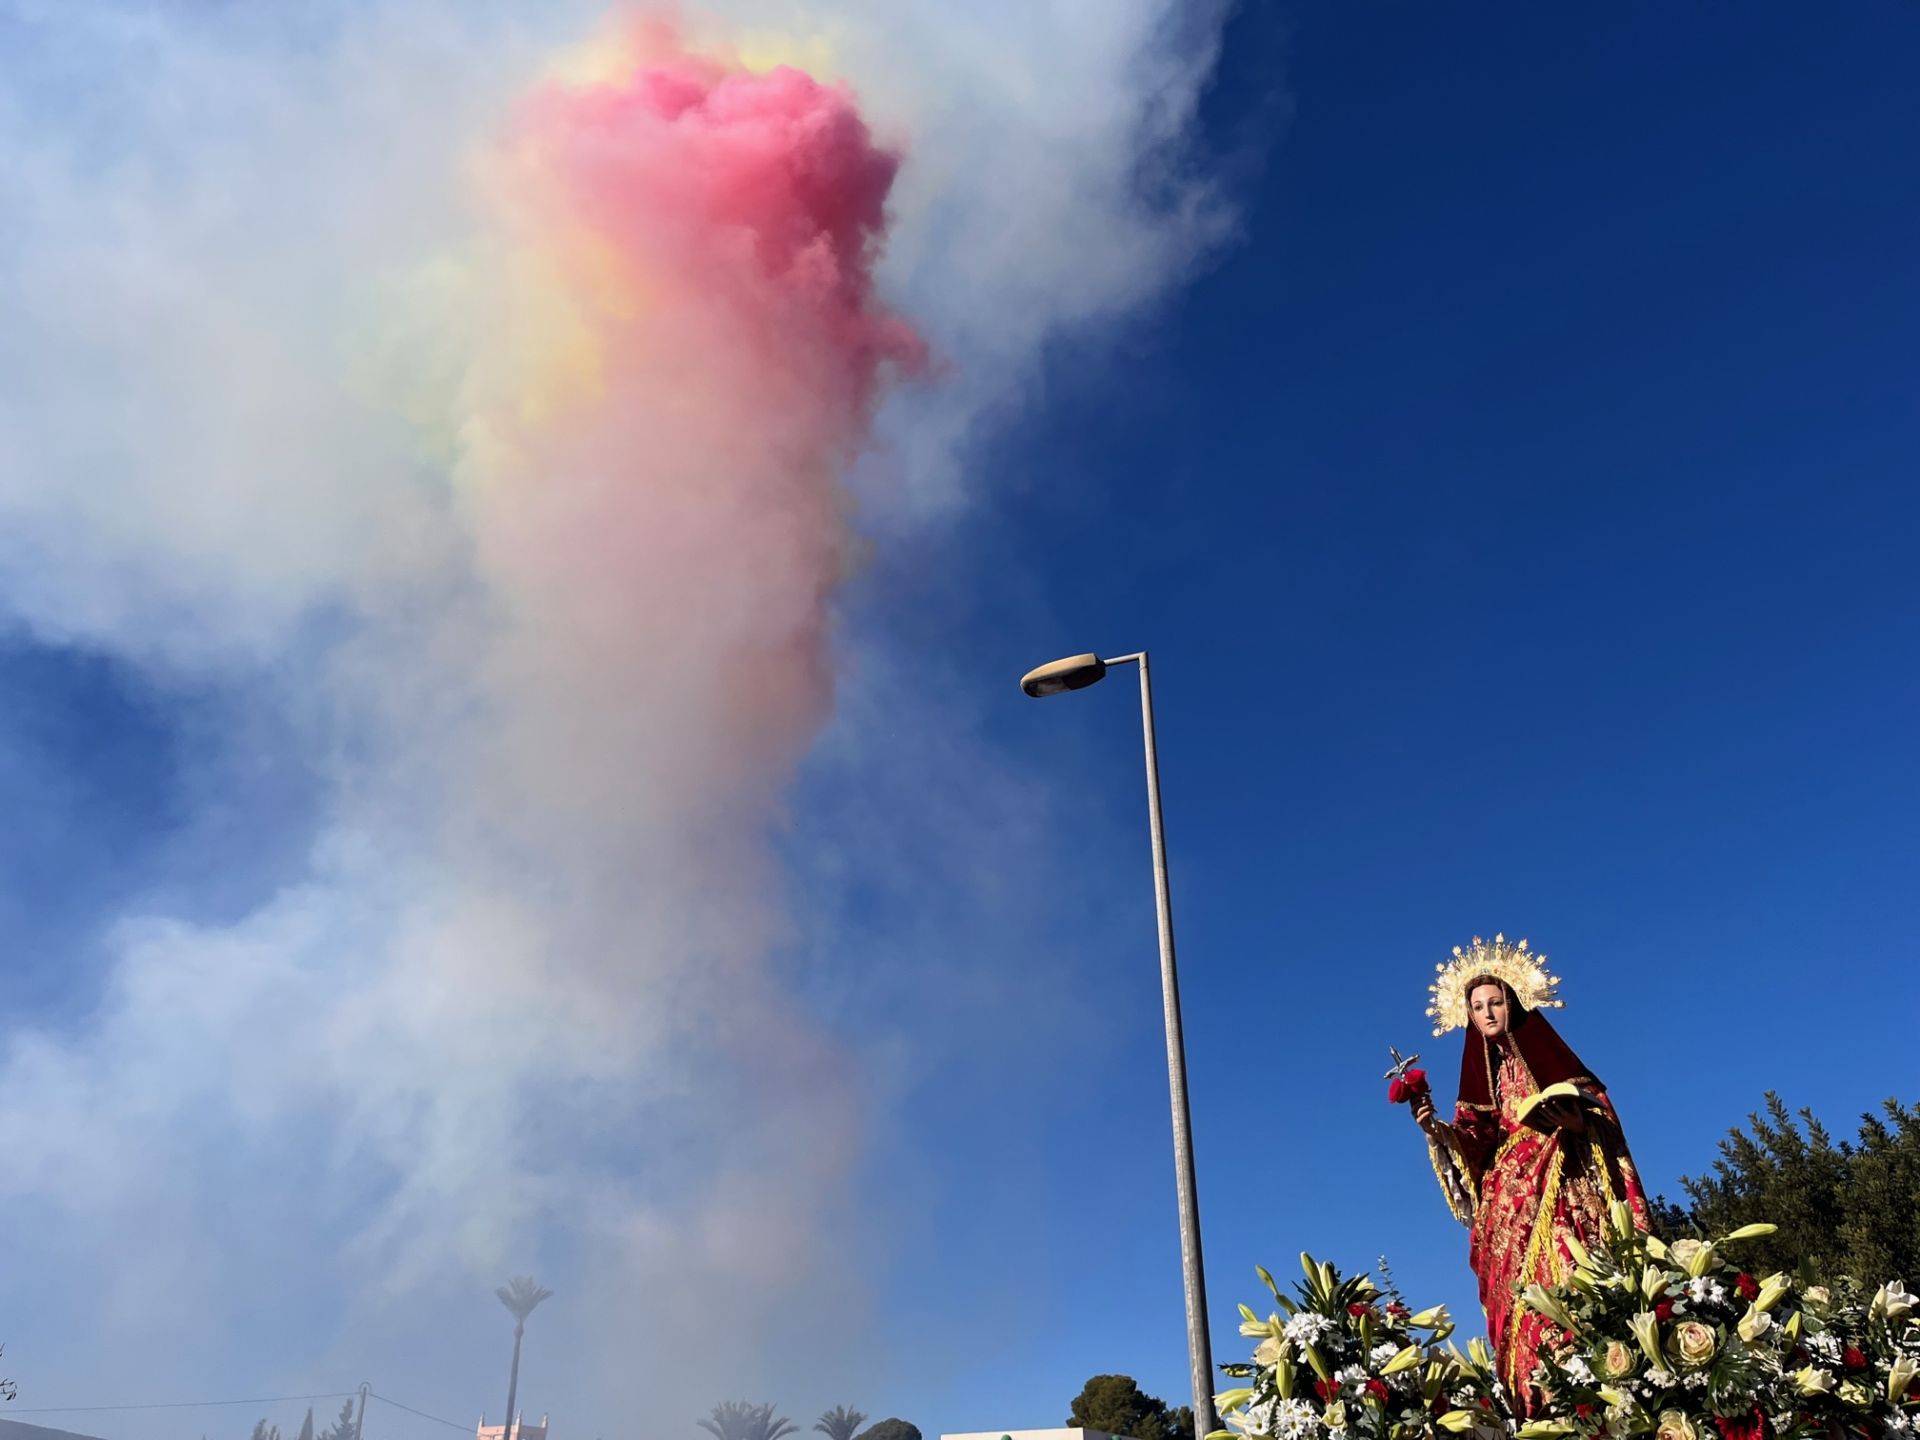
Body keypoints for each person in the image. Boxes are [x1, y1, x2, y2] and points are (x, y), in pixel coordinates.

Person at [1408, 935, 1651, 1409]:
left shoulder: (1550, 1059)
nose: (1488, 1014)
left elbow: (1599, 1109)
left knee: (1570, 1269)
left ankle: (1590, 1378)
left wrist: (1577, 1122)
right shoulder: (1486, 1077)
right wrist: (1436, 1129)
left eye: (1495, 1002)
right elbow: (1475, 1140)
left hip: (1563, 1179)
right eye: (1478, 1007)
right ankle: (1535, 1395)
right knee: (1518, 1296)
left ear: (1513, 1002)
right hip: (1507, 1202)